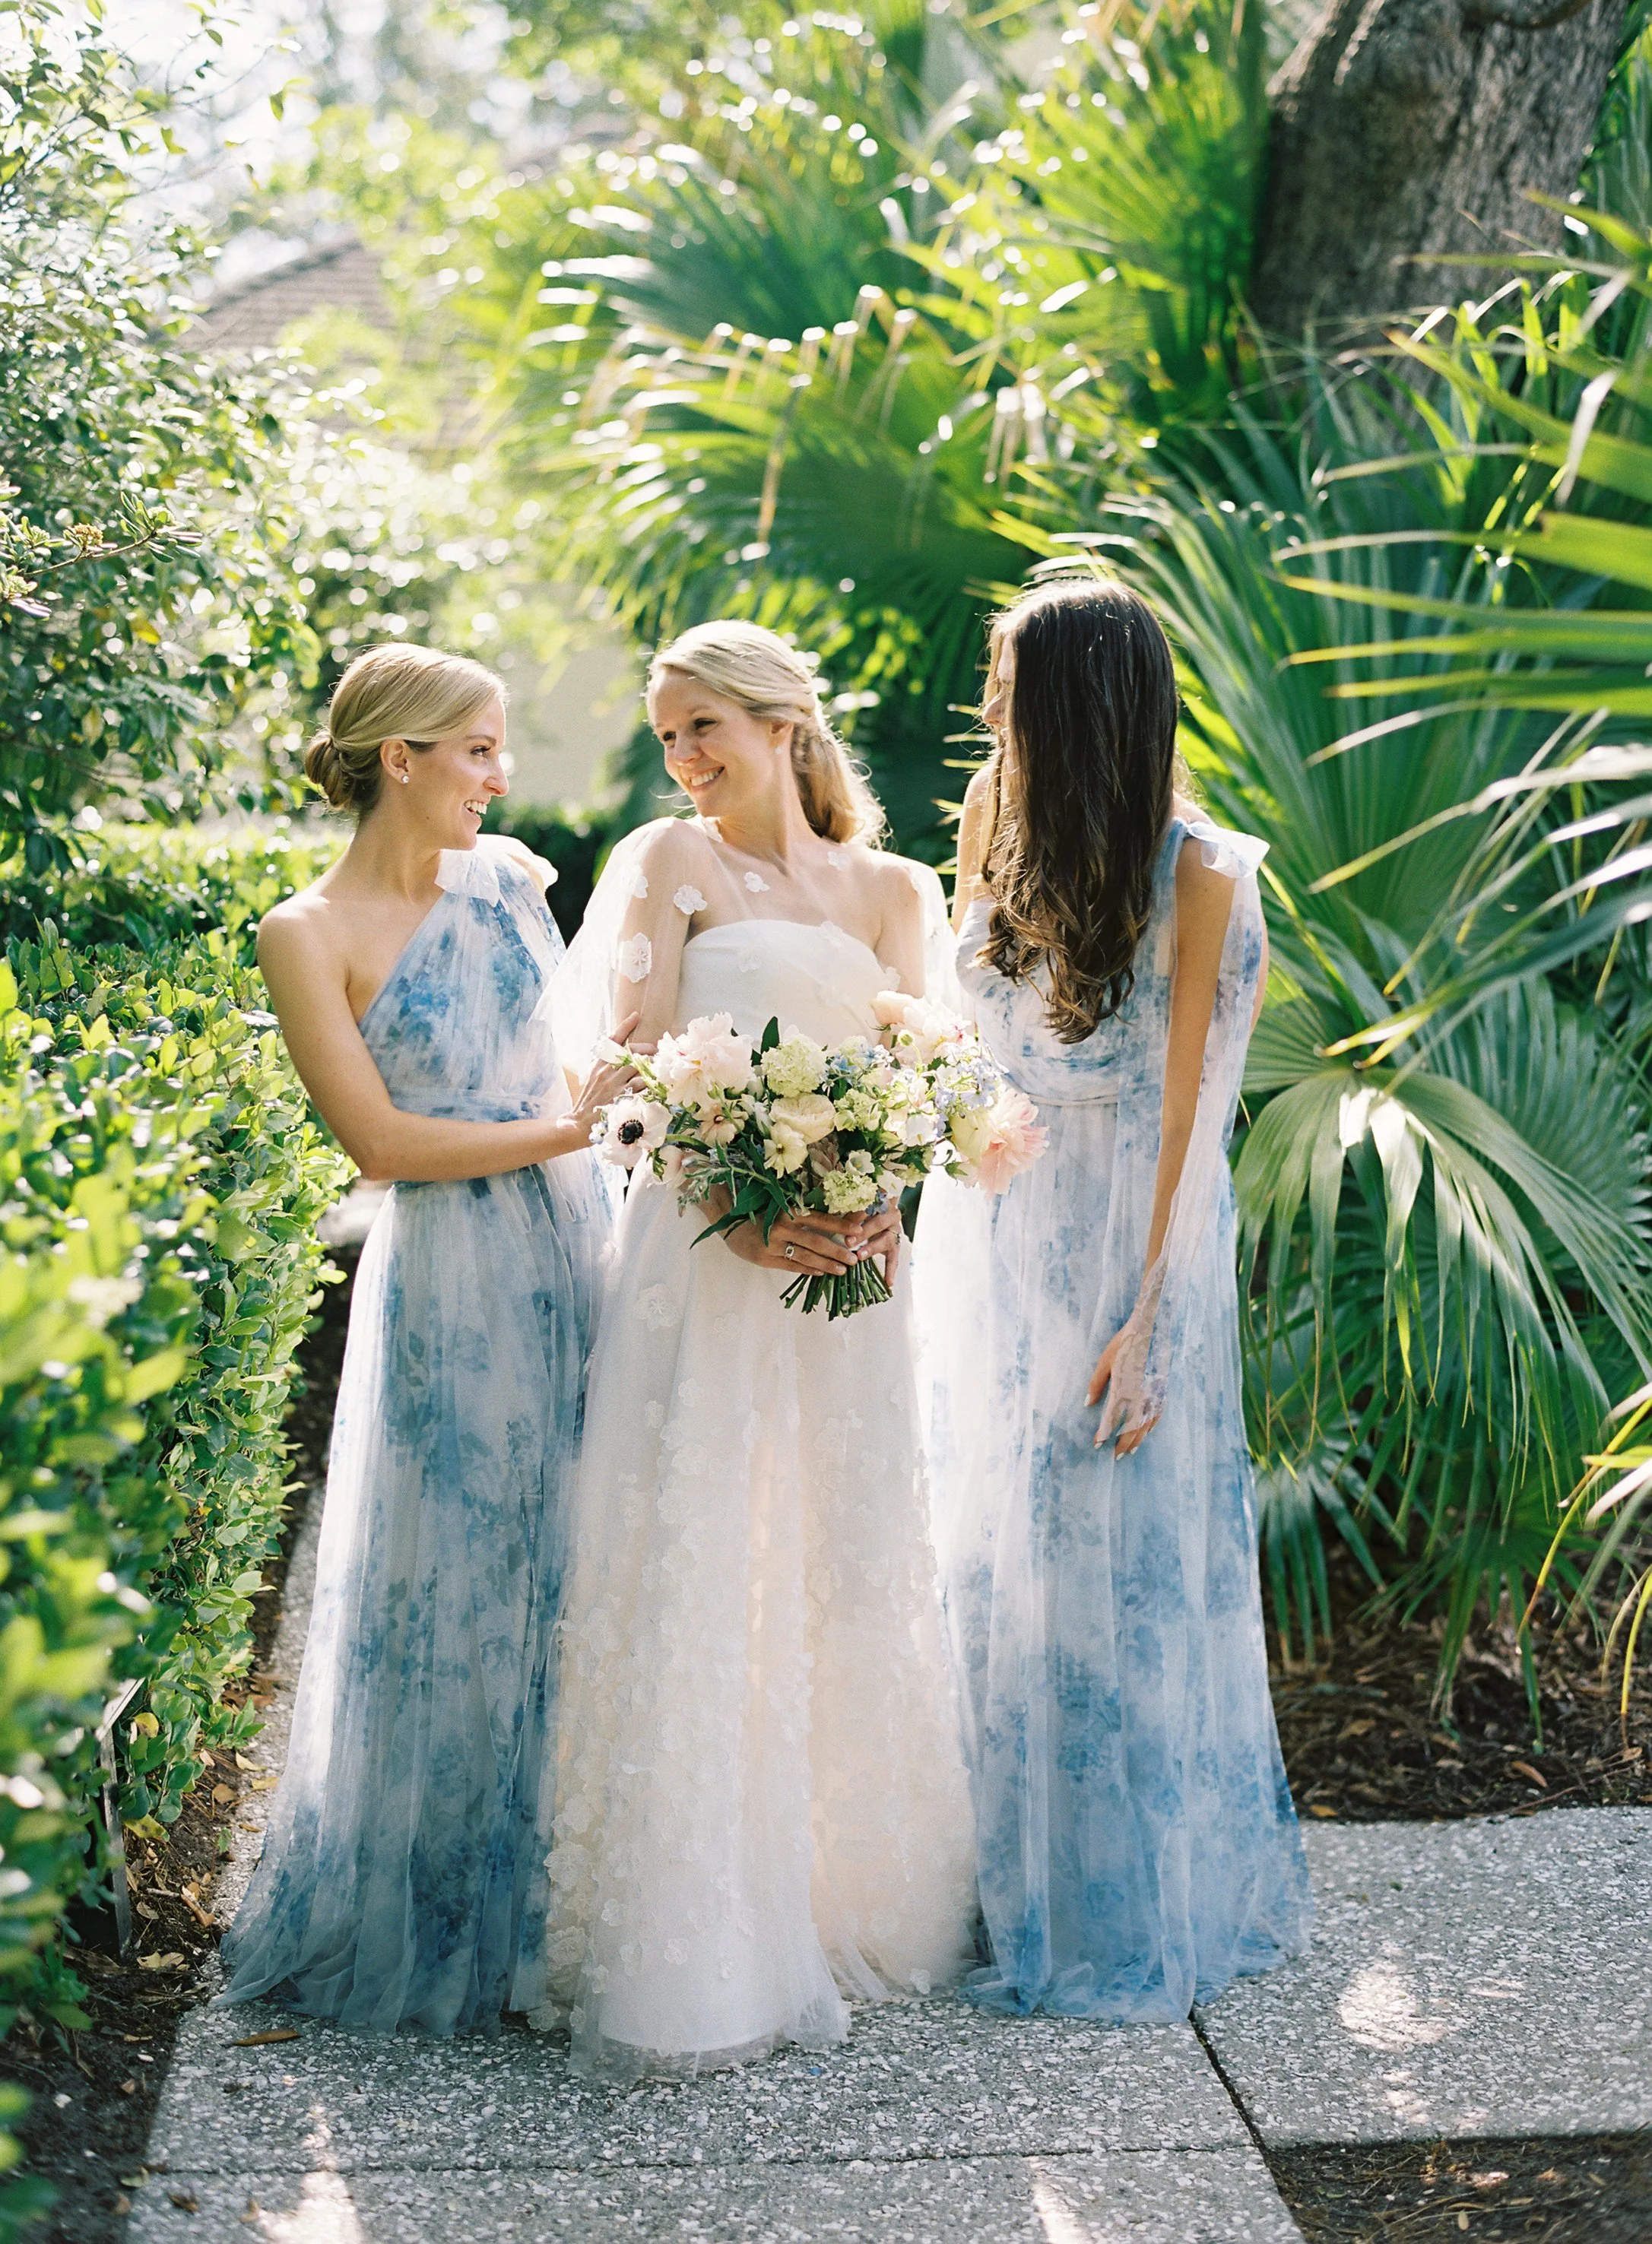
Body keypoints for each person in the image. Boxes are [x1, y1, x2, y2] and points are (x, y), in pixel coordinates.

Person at [537, 619, 976, 2078]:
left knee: (837, 1553)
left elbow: (928, 1083)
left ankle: (837, 1891)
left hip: (850, 1283)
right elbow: (621, 1077)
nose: (684, 760)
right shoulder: (665, 867)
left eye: (701, 728)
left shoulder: (899, 891)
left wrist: (879, 1201)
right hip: (705, 1267)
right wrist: (729, 1211)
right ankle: (696, 1935)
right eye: (668, 738)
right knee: (704, 1551)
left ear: (782, 721)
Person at [914, 576, 1311, 2024]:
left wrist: (1149, 1322)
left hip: (1127, 1248)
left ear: (1089, 698)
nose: (992, 708)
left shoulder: (1203, 870)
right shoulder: (988, 820)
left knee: (1111, 1577)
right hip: (991, 1233)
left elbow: (1188, 1116)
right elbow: (966, 1040)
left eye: (1015, 683)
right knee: (986, 1556)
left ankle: (1121, 1899)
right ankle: (986, 1882)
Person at [220, 643, 633, 2036]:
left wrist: (641, 1102)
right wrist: (574, 1130)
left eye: (499, 752)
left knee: (582, 1550)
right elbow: (380, 1145)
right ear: (400, 759)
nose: (498, 778)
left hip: (584, 1243)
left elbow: (584, 1061)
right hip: (452, 1279)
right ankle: (452, 1914)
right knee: (457, 1574)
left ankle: (572, 1907)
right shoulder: (306, 933)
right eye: (476, 751)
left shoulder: (512, 881)